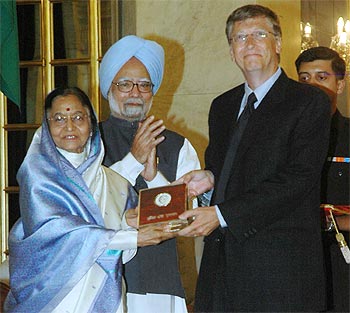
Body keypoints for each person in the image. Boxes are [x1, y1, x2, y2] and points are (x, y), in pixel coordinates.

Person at [175, 4, 332, 312]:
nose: (249, 43)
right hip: (223, 268)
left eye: (259, 34)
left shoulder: (309, 101)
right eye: (240, 37)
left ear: (277, 43)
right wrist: (209, 179)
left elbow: (298, 179)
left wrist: (221, 215)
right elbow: (231, 169)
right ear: (231, 51)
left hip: (280, 272)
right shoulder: (222, 106)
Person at [4, 87, 175, 312]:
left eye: (77, 117)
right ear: (46, 127)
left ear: (91, 123)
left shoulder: (114, 183)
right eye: (59, 119)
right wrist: (132, 238)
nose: (69, 127)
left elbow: (119, 256)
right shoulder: (38, 179)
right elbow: (61, 233)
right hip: (52, 298)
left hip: (104, 293)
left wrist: (128, 224)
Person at [98, 35, 201, 313]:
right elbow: (85, 205)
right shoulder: (87, 141)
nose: (135, 92)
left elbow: (189, 222)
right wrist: (133, 160)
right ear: (109, 87)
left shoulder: (178, 145)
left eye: (144, 85)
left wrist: (154, 177)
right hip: (98, 283)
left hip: (160, 286)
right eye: (125, 84)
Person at [295, 46, 350, 312]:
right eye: (304, 78)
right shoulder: (284, 139)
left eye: (322, 77)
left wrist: (331, 222)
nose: (312, 85)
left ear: (340, 84)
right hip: (295, 259)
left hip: (342, 259)